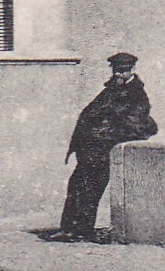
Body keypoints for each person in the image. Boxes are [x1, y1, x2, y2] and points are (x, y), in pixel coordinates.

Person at [55, 52, 157, 241]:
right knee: (76, 185)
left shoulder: (137, 95)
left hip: (105, 149)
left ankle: (81, 230)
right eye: (116, 71)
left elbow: (132, 123)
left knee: (92, 189)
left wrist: (101, 133)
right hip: (91, 148)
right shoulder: (110, 90)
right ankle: (69, 228)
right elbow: (89, 114)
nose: (119, 74)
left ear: (132, 70)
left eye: (123, 71)